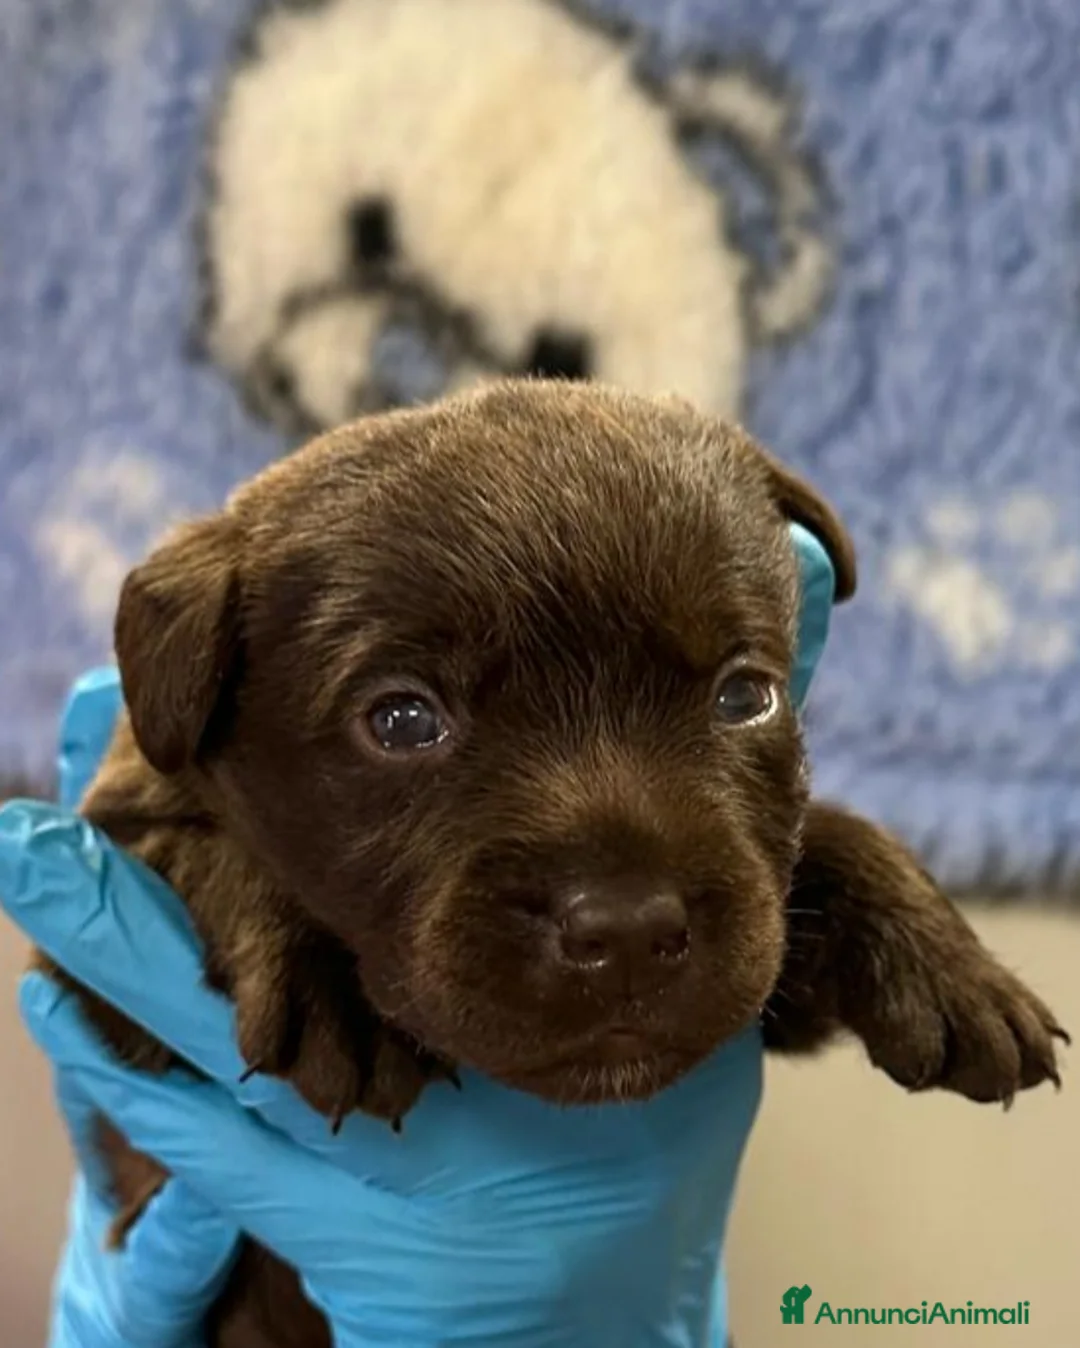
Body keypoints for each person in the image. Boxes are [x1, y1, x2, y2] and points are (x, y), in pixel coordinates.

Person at [0, 526, 837, 1348]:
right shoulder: (225, 659)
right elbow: (135, 853)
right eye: (402, 720)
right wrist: (253, 910)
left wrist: (853, 886)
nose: (619, 913)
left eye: (740, 696)